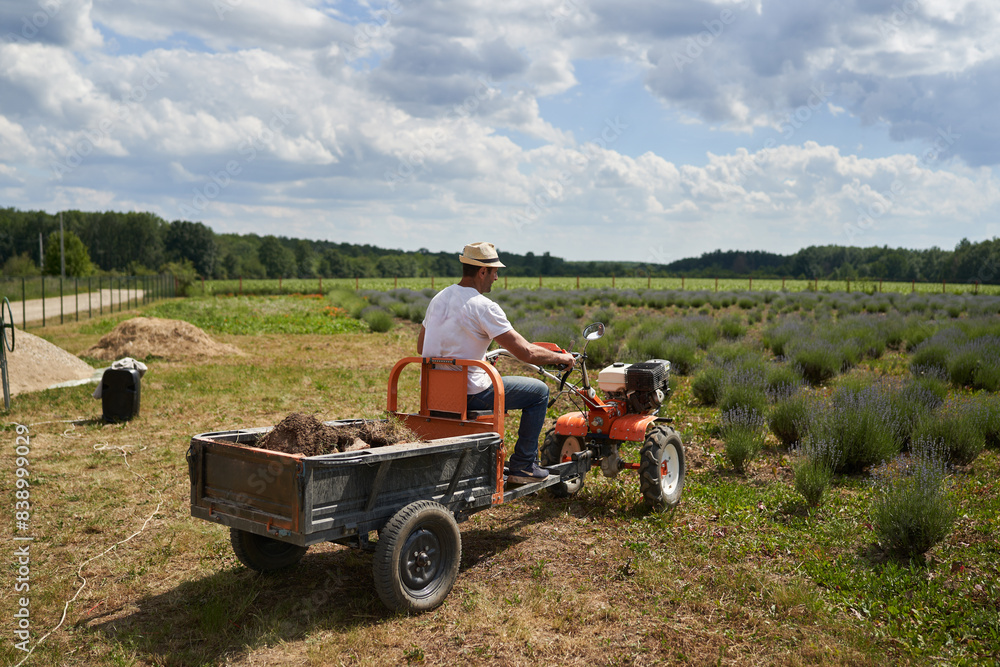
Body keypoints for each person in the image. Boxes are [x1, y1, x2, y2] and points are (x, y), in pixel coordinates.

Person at [417, 242, 575, 484]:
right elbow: (527, 352)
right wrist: (561, 358)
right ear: (482, 272)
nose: (497, 277)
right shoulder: (483, 307)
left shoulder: (439, 298)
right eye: (494, 272)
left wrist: (476, 354)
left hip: (434, 393)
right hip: (468, 395)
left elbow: (421, 347)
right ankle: (524, 466)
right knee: (539, 392)